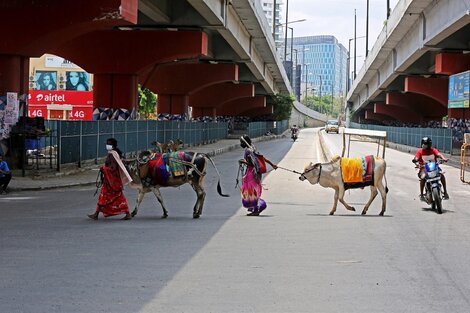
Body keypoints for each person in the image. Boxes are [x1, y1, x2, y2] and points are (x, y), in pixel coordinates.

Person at [88, 138, 133, 220]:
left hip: (112, 181)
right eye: (107, 143)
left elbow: (113, 168)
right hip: (110, 180)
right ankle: (96, 213)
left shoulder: (112, 155)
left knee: (106, 196)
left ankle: (96, 214)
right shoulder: (113, 153)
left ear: (112, 146)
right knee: (111, 197)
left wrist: (104, 169)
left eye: (108, 144)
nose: (107, 145)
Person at [238, 135, 277, 216]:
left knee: (251, 192)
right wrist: (272, 164)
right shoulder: (253, 148)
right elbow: (262, 158)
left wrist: (242, 162)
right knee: (253, 191)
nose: (240, 144)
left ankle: (257, 208)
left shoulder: (248, 151)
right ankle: (254, 208)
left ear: (244, 142)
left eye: (241, 142)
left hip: (251, 173)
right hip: (255, 174)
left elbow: (251, 164)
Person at [412, 136, 449, 201]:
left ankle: (445, 192)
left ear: (429, 145)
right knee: (423, 178)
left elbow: (439, 154)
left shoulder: (433, 150)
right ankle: (421, 194)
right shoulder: (420, 152)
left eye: (425, 144)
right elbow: (416, 158)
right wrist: (415, 160)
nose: (423, 146)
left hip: (434, 167)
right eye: (423, 144)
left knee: (442, 175)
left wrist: (444, 159)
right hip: (424, 169)